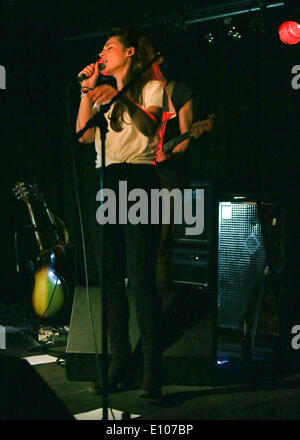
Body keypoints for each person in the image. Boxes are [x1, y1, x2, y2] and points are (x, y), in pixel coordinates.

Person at [76, 26, 172, 399]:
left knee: (140, 275)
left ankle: (152, 365)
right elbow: (83, 135)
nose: (103, 52)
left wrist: (118, 95)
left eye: (110, 47)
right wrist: (88, 91)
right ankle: (119, 361)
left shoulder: (151, 89)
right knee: (111, 278)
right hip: (106, 179)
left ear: (130, 53)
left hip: (138, 177)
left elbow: (149, 127)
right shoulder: (101, 94)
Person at [155, 58, 194, 290]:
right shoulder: (138, 95)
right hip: (139, 177)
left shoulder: (178, 91)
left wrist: (167, 153)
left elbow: (186, 137)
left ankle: (160, 313)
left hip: (167, 177)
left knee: (161, 246)